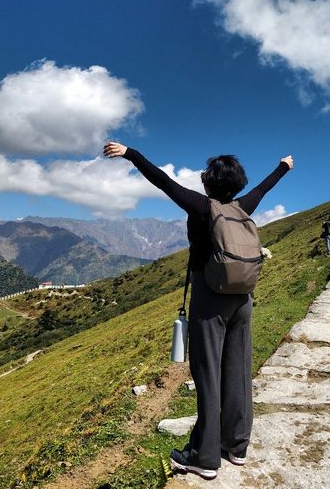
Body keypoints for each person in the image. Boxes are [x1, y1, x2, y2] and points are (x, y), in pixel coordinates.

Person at [103, 142, 293, 479]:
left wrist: (130, 153)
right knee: (237, 370)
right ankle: (236, 446)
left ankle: (203, 457)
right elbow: (265, 186)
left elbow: (162, 181)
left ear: (209, 182)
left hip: (210, 297)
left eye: (205, 175)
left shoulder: (202, 207)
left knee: (207, 374)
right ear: (237, 183)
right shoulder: (243, 207)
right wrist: (283, 166)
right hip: (243, 299)